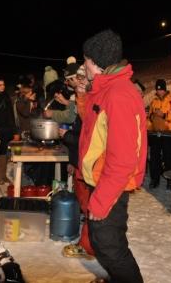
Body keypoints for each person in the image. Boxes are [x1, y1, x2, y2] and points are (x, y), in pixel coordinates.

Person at [80, 29, 146, 283]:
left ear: (96, 63)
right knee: (105, 242)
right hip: (102, 179)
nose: (83, 63)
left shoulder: (118, 95)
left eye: (86, 59)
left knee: (109, 247)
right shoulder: (108, 89)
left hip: (112, 185)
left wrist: (102, 199)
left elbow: (123, 158)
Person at [59, 62, 95, 259]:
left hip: (89, 165)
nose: (77, 86)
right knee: (85, 205)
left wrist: (65, 136)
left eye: (81, 81)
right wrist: (73, 161)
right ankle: (88, 242)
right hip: (81, 163)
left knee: (91, 208)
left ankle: (89, 246)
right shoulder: (83, 104)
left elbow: (85, 140)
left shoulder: (90, 106)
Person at [147, 79, 171, 189]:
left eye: (161, 89)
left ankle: (170, 181)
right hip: (155, 133)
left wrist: (164, 115)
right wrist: (152, 117)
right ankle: (154, 179)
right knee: (154, 157)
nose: (159, 91)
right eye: (158, 89)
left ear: (165, 89)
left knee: (168, 158)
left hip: (167, 133)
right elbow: (149, 117)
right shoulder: (154, 101)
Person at [0, 78, 16, 185]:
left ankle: (4, 175)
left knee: (4, 152)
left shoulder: (6, 96)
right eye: (0, 85)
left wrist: (13, 129)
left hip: (7, 128)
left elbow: (11, 114)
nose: (2, 86)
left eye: (3, 84)